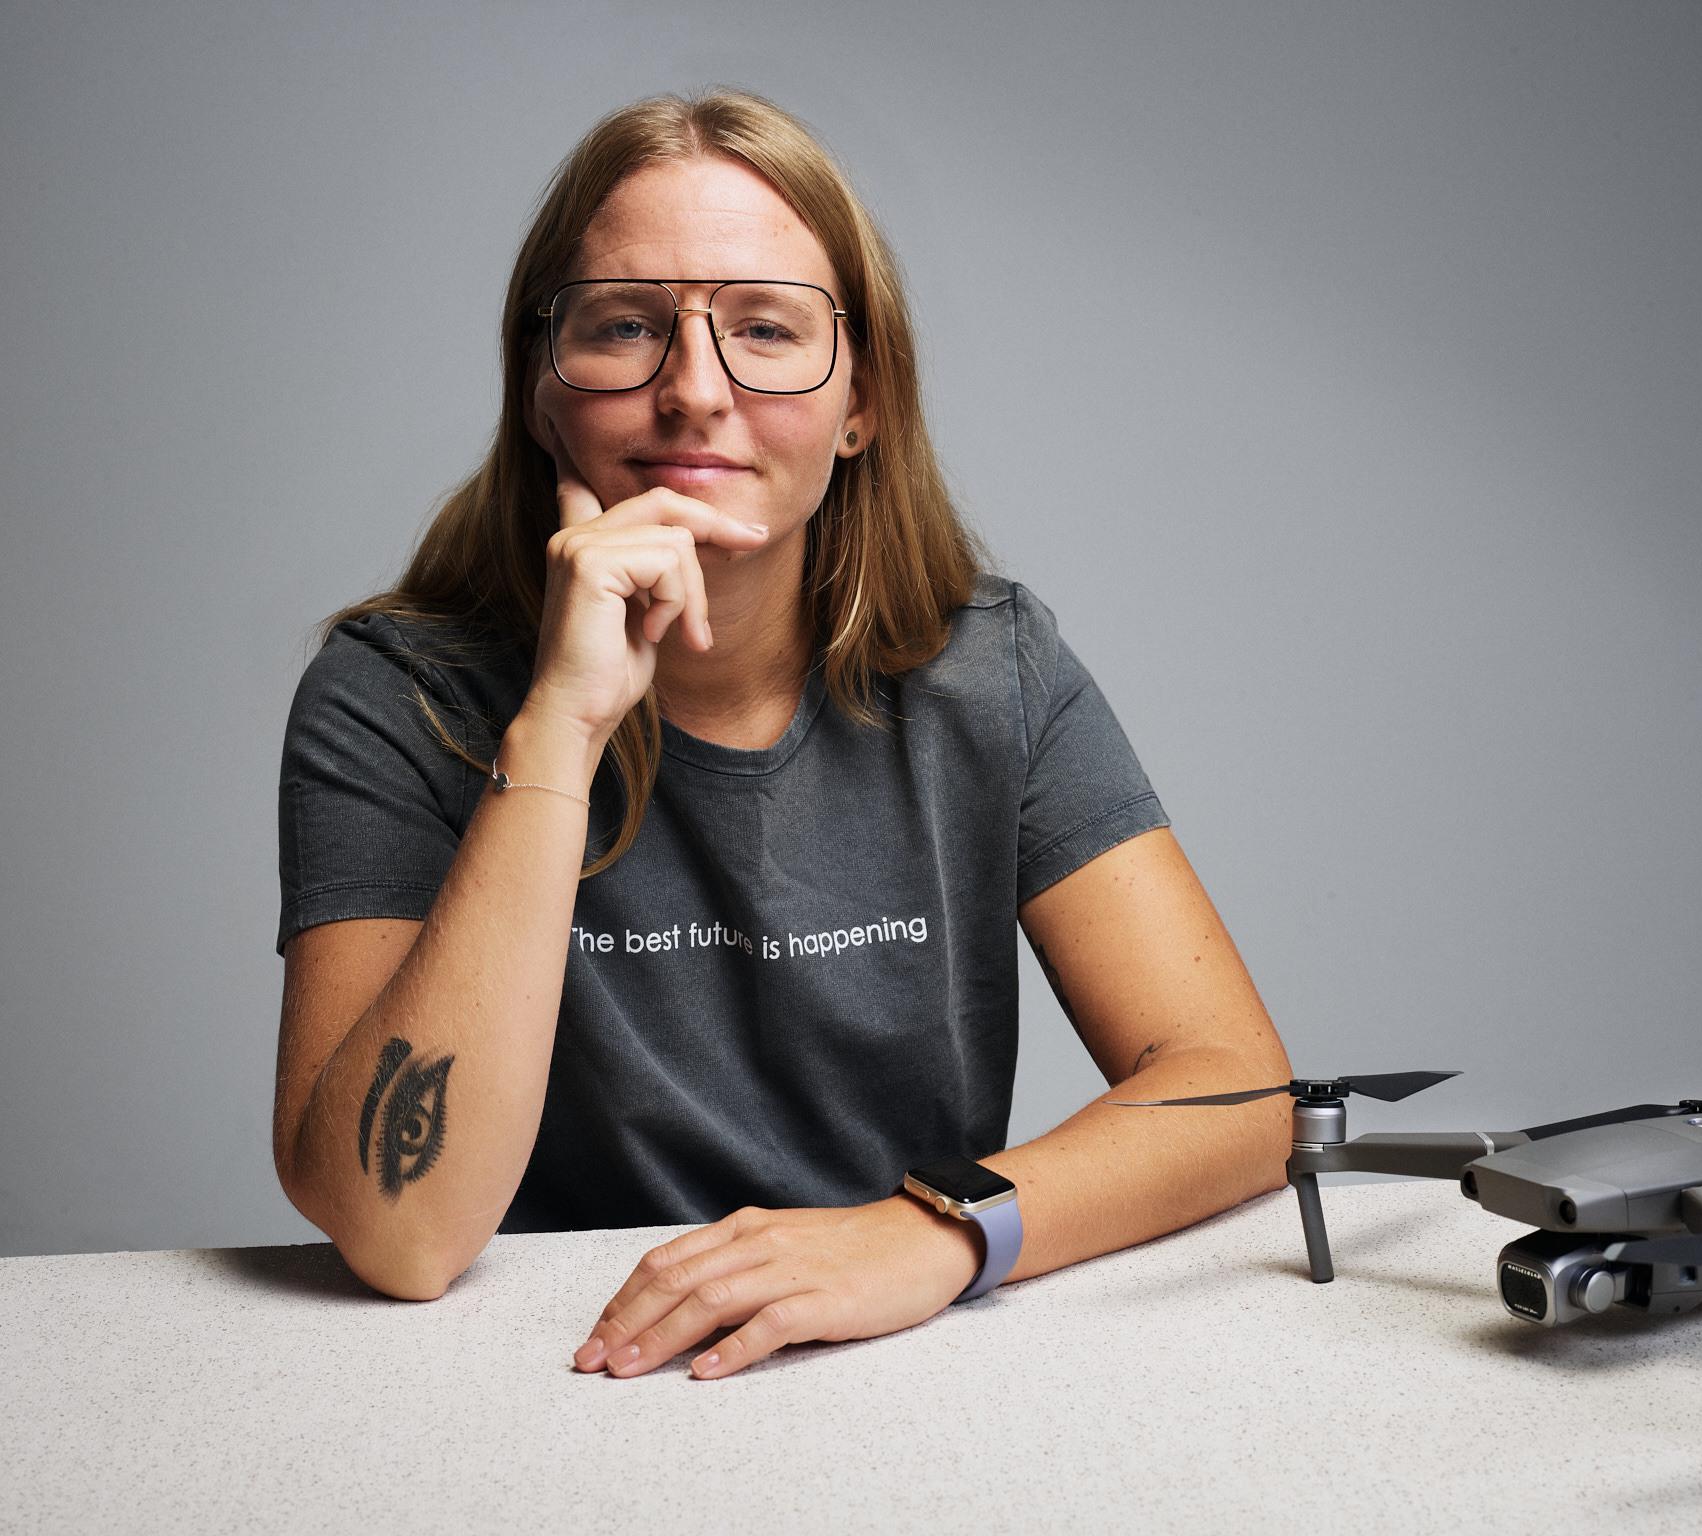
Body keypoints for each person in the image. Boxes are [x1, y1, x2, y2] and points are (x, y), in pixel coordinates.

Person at [271, 88, 1293, 1381]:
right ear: (544, 392)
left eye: (764, 328)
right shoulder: (396, 692)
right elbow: (398, 1236)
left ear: (861, 399)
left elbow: (1236, 1094)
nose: (695, 391)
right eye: (626, 326)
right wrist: (562, 724)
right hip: (542, 1371)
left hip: (892, 1354)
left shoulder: (993, 672)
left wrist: (931, 1234)